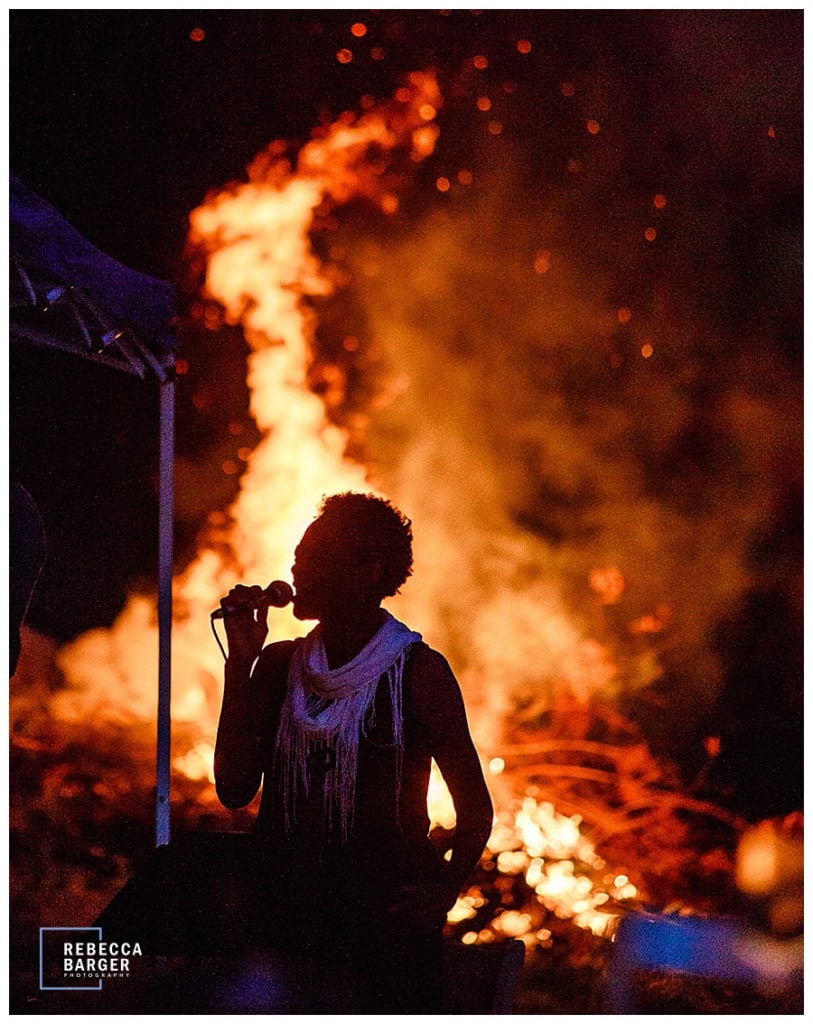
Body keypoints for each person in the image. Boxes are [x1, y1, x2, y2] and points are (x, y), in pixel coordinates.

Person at [213, 491, 494, 1013]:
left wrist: (446, 889)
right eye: (299, 555)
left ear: (368, 573)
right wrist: (239, 665)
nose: (297, 566)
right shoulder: (277, 665)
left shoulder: (419, 673)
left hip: (382, 928)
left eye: (315, 558)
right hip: (288, 915)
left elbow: (475, 807)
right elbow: (233, 789)